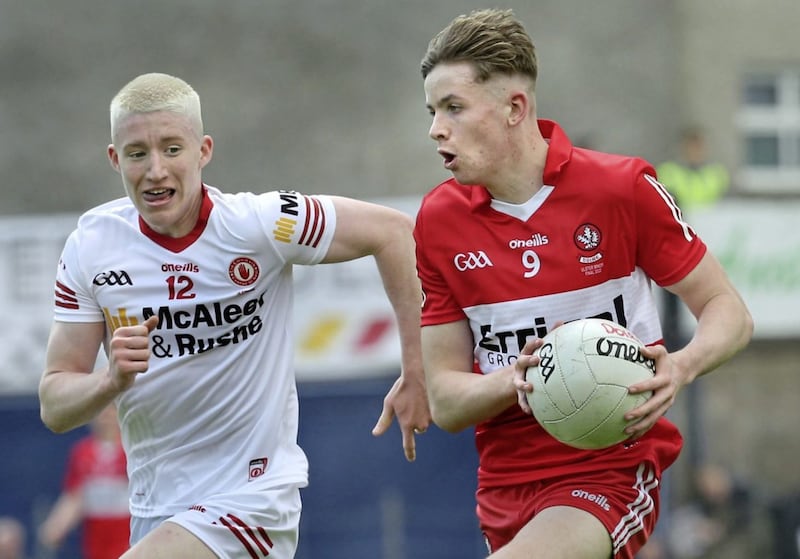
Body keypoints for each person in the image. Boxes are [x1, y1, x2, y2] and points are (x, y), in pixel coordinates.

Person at [38, 72, 430, 559]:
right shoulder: (91, 247)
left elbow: (392, 232)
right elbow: (54, 404)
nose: (156, 169)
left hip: (251, 501)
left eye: (172, 149)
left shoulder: (259, 225)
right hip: (156, 509)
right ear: (116, 159)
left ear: (204, 151)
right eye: (138, 153)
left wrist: (418, 368)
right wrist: (109, 381)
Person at [415, 8, 753, 559]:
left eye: (453, 107)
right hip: (505, 489)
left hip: (610, 470)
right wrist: (515, 380)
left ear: (513, 109)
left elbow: (728, 312)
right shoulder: (438, 221)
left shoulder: (622, 188)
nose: (435, 128)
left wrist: (682, 365)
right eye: (432, 111)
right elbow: (448, 401)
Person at [38, 404, 130, 559]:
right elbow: (75, 496)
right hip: (96, 531)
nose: (105, 418)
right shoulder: (82, 452)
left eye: (111, 411)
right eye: (100, 412)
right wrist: (58, 525)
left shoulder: (130, 449)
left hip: (126, 528)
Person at [655, 126, 730, 211]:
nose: (695, 151)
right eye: (691, 146)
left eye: (698, 146)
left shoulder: (717, 174)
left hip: (710, 222)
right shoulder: (667, 172)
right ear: (682, 147)